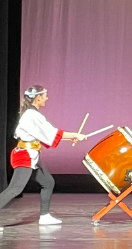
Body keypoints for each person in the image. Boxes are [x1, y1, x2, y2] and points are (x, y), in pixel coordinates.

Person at [0, 85, 88, 230]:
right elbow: (51, 132)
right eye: (45, 95)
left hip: (31, 154)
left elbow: (43, 135)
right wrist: (75, 135)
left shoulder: (32, 114)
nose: (47, 98)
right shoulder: (32, 115)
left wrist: (69, 139)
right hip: (24, 155)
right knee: (15, 189)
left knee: (48, 182)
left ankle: (45, 216)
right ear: (38, 97)